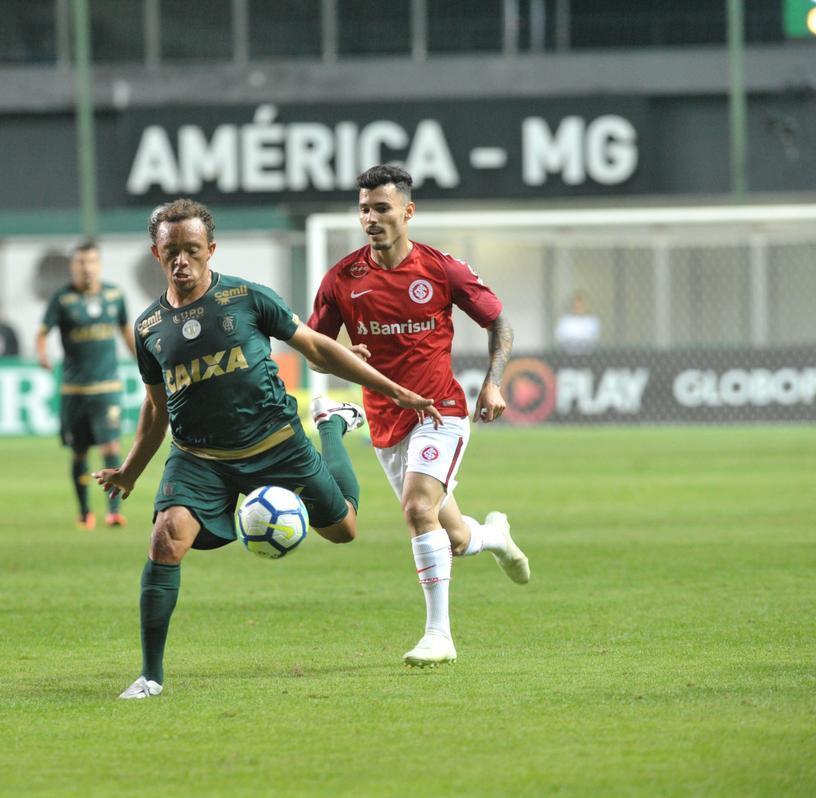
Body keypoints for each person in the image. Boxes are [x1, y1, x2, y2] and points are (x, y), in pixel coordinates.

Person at [94, 198, 441, 700]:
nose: (182, 261)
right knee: (166, 539)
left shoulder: (247, 298)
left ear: (211, 249)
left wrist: (393, 389)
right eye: (172, 251)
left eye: (192, 250)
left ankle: (331, 427)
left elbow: (317, 347)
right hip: (199, 458)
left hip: (276, 444)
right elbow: (155, 408)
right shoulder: (148, 328)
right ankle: (150, 676)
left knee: (344, 529)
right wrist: (129, 472)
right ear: (156, 253)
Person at [308, 164, 530, 669]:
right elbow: (314, 348)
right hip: (386, 423)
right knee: (450, 536)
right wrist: (345, 357)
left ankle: (439, 636)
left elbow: (499, 322)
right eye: (364, 209)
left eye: (382, 208)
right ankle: (494, 535)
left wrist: (493, 381)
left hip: (440, 411)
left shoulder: (440, 269)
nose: (371, 218)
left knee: (415, 509)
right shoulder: (342, 279)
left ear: (407, 212)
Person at [37, 240, 136, 530]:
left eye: (91, 261)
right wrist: (42, 353)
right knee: (79, 451)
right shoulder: (62, 299)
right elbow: (42, 332)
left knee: (111, 446)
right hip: (74, 390)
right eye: (81, 262)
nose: (87, 267)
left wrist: (143, 361)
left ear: (99, 265)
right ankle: (84, 511)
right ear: (73, 266)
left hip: (107, 387)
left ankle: (114, 511)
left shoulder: (115, 295)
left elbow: (125, 332)